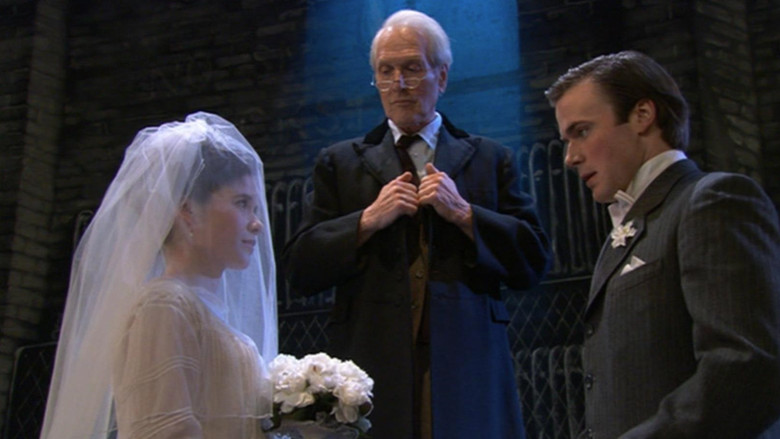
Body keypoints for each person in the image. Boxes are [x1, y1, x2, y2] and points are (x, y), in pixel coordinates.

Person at [282, 9, 551, 439]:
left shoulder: (488, 158)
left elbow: (533, 261)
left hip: (468, 362)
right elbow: (300, 268)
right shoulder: (340, 162)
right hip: (372, 365)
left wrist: (464, 214)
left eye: (411, 68)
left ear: (441, 76)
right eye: (385, 71)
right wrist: (367, 220)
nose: (399, 84)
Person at [545, 50, 780, 438]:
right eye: (567, 139)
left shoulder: (712, 201)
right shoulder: (626, 233)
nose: (570, 157)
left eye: (582, 131)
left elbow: (747, 366)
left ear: (642, 115)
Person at [40, 112, 278, 438]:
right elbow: (167, 429)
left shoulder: (208, 314)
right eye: (241, 203)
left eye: (255, 208)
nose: (256, 223)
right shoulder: (165, 305)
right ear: (188, 211)